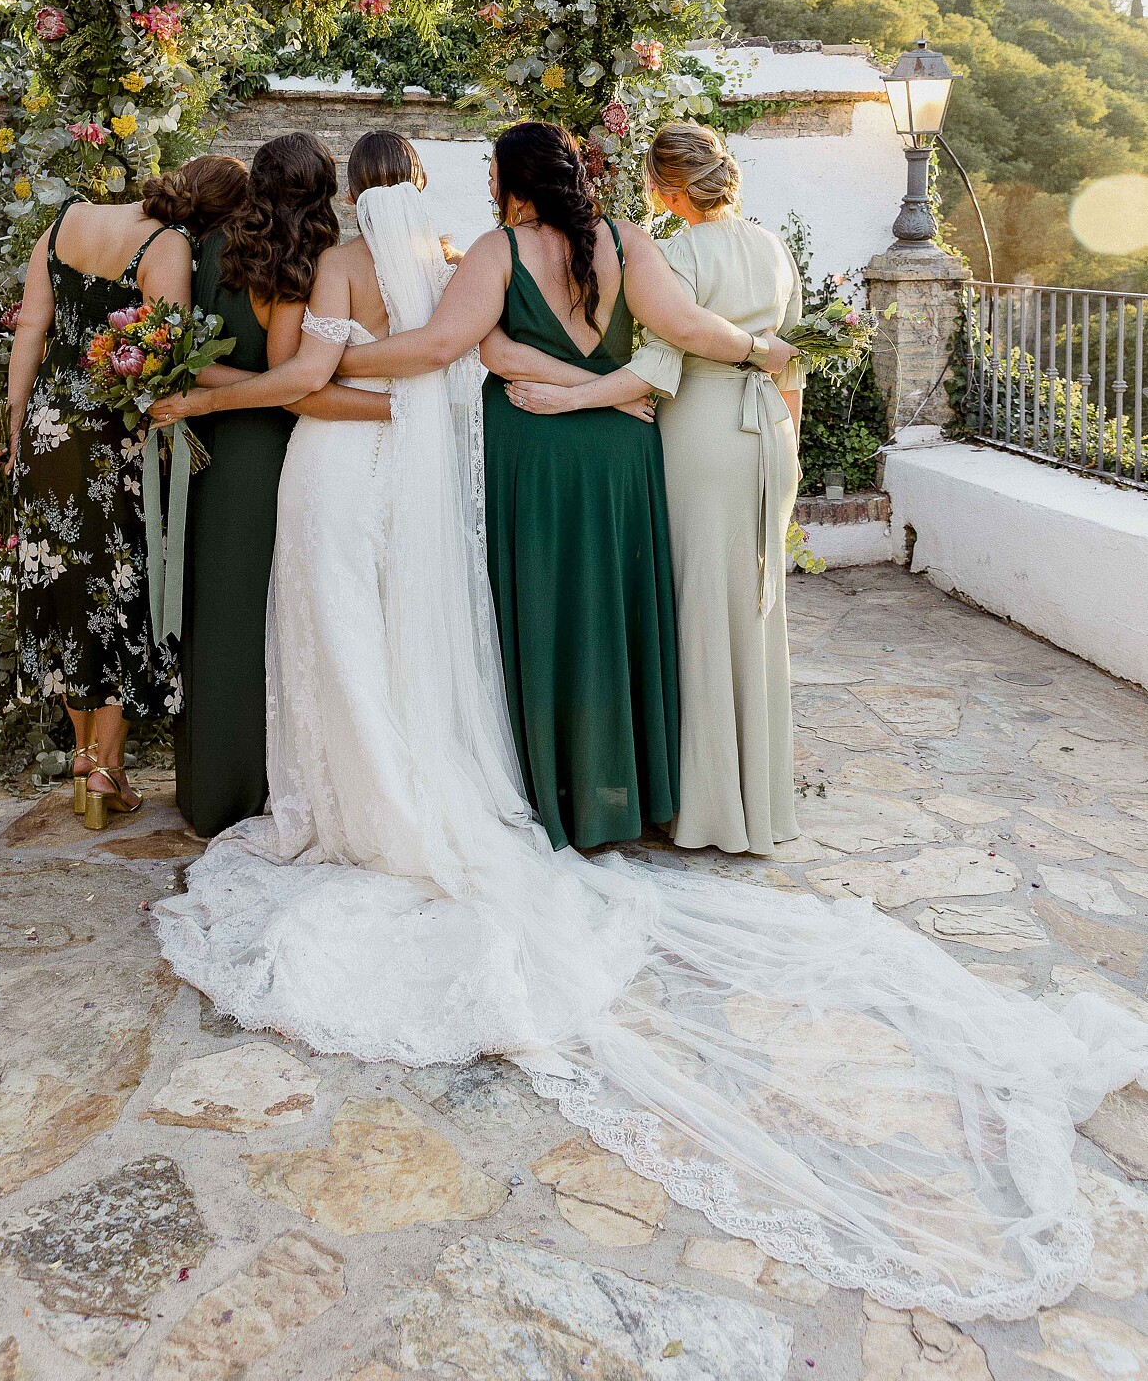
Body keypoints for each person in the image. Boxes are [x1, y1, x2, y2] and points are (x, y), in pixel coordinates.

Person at [154, 163, 1148, 1323]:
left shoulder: (445, 258)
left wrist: (282, 382)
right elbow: (594, 346)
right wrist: (686, 367)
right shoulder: (581, 246)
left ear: (502, 188)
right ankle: (577, 789)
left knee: (411, 636)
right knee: (509, 634)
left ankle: (446, 795)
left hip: (449, 462)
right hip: (588, 453)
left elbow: (410, 361)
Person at [336, 121, 794, 851]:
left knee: (544, 609)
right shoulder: (626, 242)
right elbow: (680, 326)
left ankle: (545, 788)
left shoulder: (497, 251)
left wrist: (330, 363)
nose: (486, 184)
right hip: (621, 457)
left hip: (534, 455)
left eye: (491, 171)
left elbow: (441, 346)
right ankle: (628, 795)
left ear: (516, 182)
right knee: (612, 612)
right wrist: (754, 350)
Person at [500, 123, 805, 855]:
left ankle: (701, 806)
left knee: (696, 607)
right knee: (753, 607)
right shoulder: (771, 247)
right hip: (766, 429)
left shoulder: (672, 253)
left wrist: (567, 398)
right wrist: (787, 448)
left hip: (700, 431)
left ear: (663, 187)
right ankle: (755, 800)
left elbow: (665, 357)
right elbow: (792, 355)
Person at [0, 159, 233, 830]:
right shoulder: (169, 245)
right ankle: (106, 768)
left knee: (64, 589)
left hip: (46, 430)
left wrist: (14, 423)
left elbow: (32, 330)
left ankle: (81, 757)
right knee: (120, 593)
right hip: (114, 437)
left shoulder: (67, 217)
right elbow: (164, 352)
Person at [169, 133, 391, 839]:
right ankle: (253, 789)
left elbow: (186, 358)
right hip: (268, 451)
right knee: (260, 617)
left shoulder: (203, 248)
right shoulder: (297, 264)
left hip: (204, 454)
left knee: (215, 612)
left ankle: (207, 790)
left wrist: (204, 394)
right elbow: (294, 381)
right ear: (323, 191)